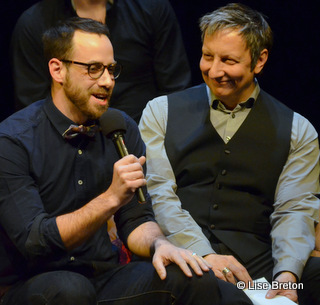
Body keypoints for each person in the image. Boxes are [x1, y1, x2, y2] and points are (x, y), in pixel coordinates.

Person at [0, 17, 253, 305]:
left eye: (111, 69)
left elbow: (136, 218)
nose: (107, 81)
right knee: (70, 290)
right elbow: (35, 242)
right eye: (93, 69)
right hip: (31, 283)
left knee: (191, 276)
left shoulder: (119, 129)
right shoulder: (13, 140)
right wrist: (110, 198)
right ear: (58, 70)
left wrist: (160, 244)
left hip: (102, 276)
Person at [139, 3, 320, 304]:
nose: (214, 70)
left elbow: (294, 209)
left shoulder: (298, 131)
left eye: (228, 60)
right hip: (187, 256)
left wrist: (287, 276)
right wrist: (205, 254)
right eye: (207, 56)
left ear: (259, 60)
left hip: (258, 266)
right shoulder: (161, 112)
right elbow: (159, 194)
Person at [11, 0, 191, 123]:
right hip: (68, 144)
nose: (107, 81)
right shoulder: (34, 22)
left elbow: (175, 88)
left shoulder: (151, 7)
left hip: (143, 137)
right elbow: (32, 106)